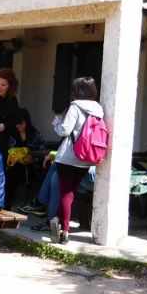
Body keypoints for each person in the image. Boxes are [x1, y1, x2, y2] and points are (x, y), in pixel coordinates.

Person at [51, 76, 104, 244]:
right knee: (71, 193)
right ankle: (57, 223)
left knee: (65, 194)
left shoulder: (75, 107)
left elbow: (64, 131)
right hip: (86, 158)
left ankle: (64, 230)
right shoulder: (98, 109)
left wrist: (56, 123)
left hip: (68, 157)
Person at [6, 108, 45, 206]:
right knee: (11, 172)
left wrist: (33, 158)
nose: (18, 126)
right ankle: (8, 202)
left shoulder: (34, 134)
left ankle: (31, 203)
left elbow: (42, 151)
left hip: (32, 165)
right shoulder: (13, 134)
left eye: (21, 123)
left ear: (26, 122)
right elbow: (9, 149)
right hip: (16, 165)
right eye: (17, 124)